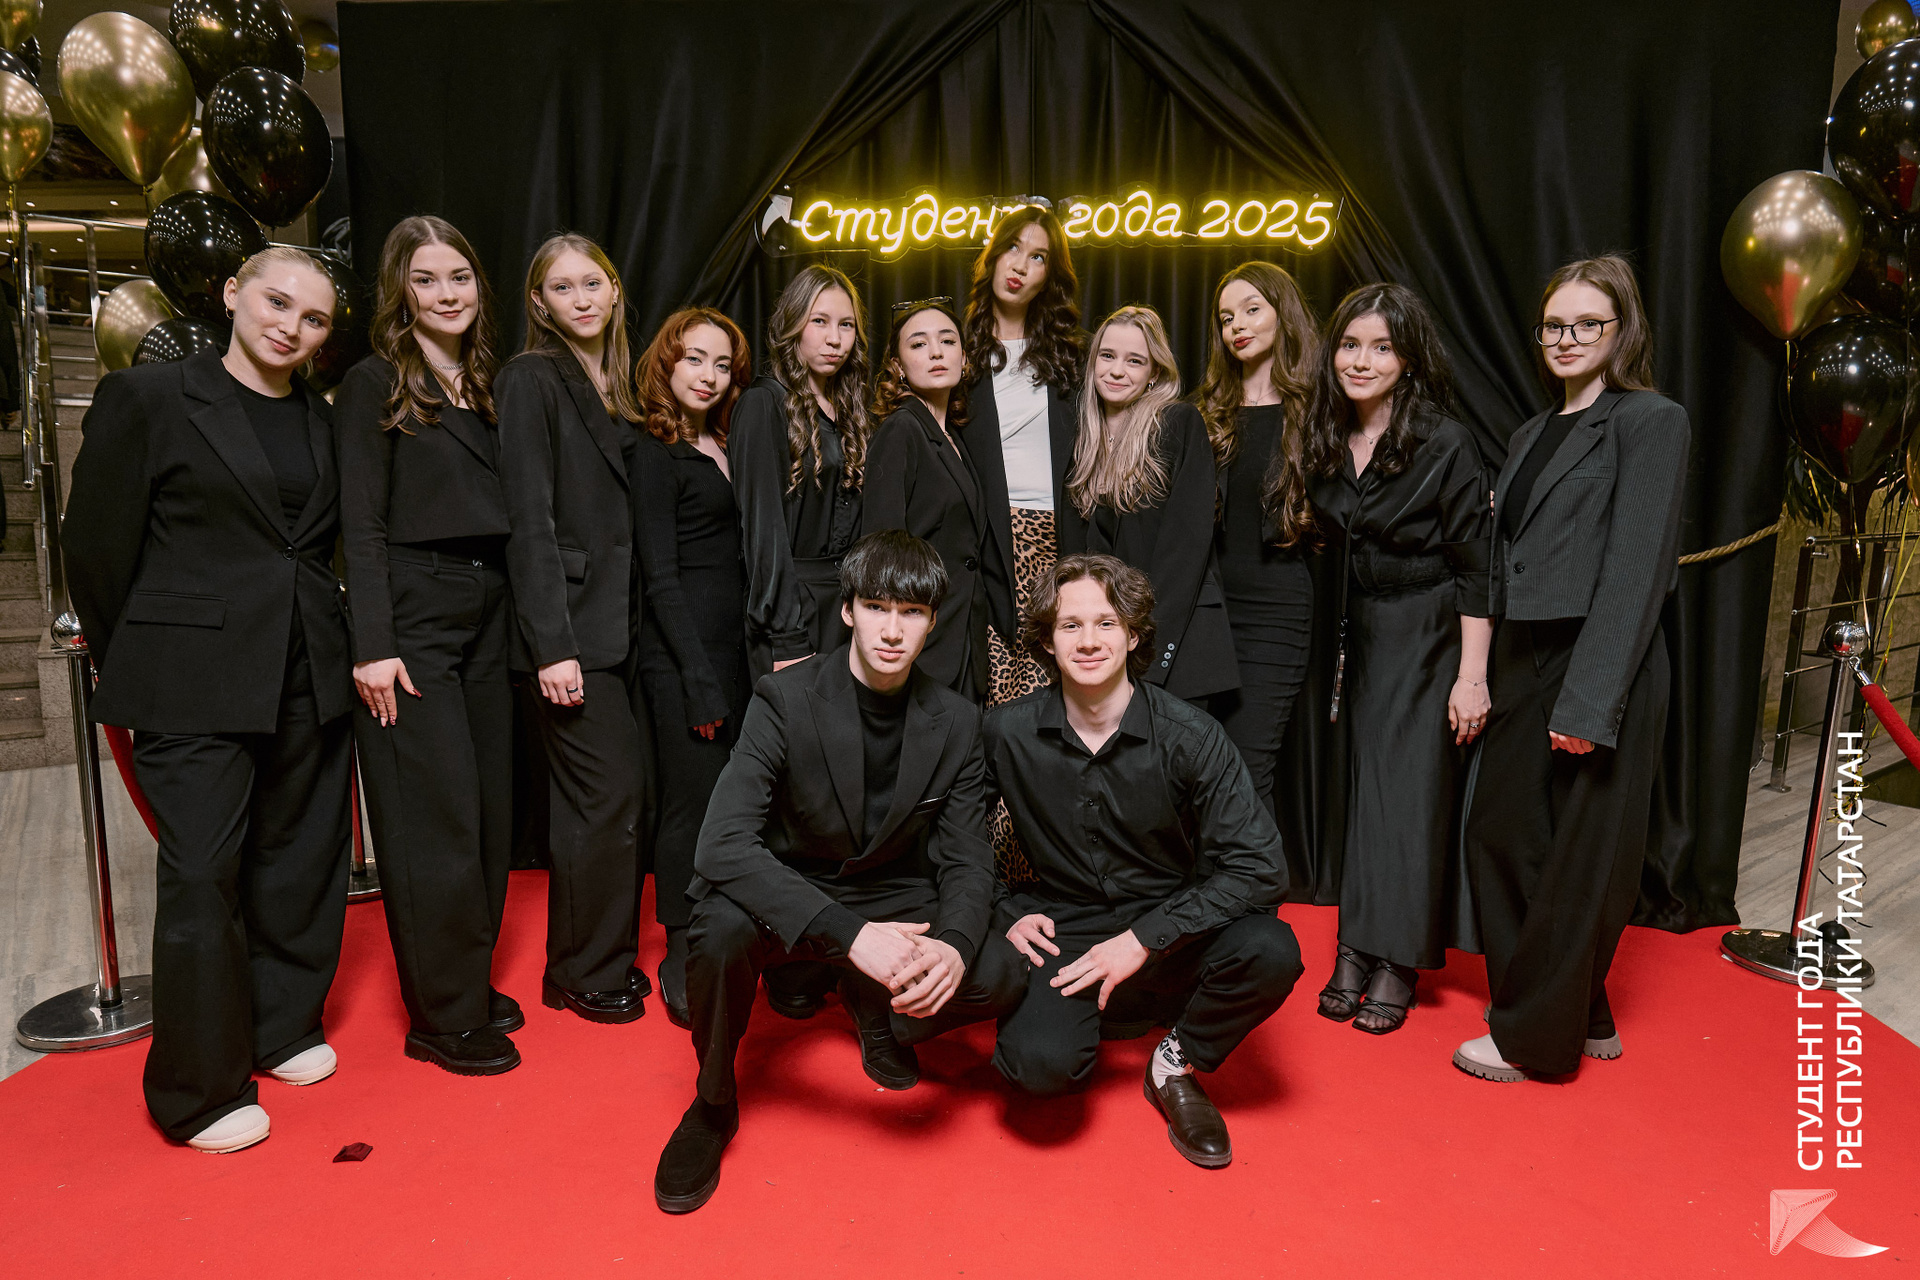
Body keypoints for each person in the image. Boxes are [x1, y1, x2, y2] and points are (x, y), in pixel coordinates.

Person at [64, 247, 347, 1153]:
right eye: (276, 302)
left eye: (313, 318)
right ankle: (195, 1090)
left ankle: (282, 1025)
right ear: (232, 294)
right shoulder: (149, 398)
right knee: (200, 875)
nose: (290, 327)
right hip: (190, 677)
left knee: (298, 860)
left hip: (305, 668)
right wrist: (137, 656)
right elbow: (95, 546)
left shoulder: (322, 419)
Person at [653, 531, 1027, 1213]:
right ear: (848, 610)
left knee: (998, 968)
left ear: (932, 622)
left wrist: (950, 947)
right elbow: (721, 845)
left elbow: (968, 861)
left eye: (911, 612)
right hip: (795, 887)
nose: (892, 630)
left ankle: (873, 1002)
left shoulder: (957, 720)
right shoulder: (784, 697)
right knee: (719, 928)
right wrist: (853, 936)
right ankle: (713, 1102)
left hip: (892, 889)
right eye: (877, 607)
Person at [986, 553, 1301, 1168]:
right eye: (1070, 625)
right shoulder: (1005, 732)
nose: (1089, 641)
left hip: (1171, 926)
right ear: (1047, 641)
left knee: (1271, 949)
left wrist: (1142, 938)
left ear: (1133, 636)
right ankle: (1107, 1013)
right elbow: (954, 838)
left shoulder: (1191, 735)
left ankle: (1174, 1061)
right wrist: (1003, 911)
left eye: (1106, 623)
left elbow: (1261, 867)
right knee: (1039, 1070)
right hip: (1068, 928)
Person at [1456, 254, 1687, 1082]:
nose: (1568, 338)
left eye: (1589, 323)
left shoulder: (1650, 420)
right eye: (1555, 324)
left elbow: (1637, 568)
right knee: (1501, 832)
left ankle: (1534, 1039)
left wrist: (1590, 703)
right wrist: (1480, 666)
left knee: (1585, 854)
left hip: (1600, 653)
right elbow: (1505, 553)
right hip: (1527, 650)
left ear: (1622, 330)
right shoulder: (1530, 432)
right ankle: (1576, 1003)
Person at [335, 216, 520, 1076]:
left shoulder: (484, 383)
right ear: (399, 293)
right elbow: (360, 522)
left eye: (460, 277)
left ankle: (466, 981)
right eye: (426, 280)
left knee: (484, 812)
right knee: (431, 815)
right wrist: (373, 643)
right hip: (414, 608)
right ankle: (442, 1018)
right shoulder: (375, 380)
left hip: (488, 602)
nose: (447, 294)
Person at [1298, 283, 1492, 1035]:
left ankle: (1398, 961)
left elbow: (1476, 568)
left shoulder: (1446, 442)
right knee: (1365, 794)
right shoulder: (1327, 436)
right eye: (1350, 344)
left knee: (1409, 795)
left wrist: (1472, 676)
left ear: (1408, 359)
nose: (1362, 360)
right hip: (1362, 630)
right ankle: (1356, 946)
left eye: (1381, 347)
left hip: (1431, 628)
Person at [498, 232, 651, 1024]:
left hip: (617, 626)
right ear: (539, 302)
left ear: (614, 289)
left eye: (593, 283)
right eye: (563, 288)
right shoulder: (531, 377)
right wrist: (551, 646)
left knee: (602, 802)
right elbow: (529, 519)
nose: (582, 299)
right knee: (607, 796)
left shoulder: (616, 382)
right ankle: (587, 971)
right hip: (569, 634)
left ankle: (584, 961)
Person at [631, 307, 753, 1026]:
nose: (708, 375)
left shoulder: (727, 444)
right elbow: (660, 576)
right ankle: (680, 943)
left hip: (735, 653)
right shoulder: (655, 451)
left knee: (734, 800)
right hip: (685, 659)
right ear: (666, 364)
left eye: (722, 364)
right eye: (694, 359)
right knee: (690, 803)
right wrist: (698, 680)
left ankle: (729, 926)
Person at [1192, 262, 1318, 817]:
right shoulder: (1204, 413)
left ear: (1282, 313)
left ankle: (1257, 873)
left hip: (1276, 611)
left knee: (1246, 770)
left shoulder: (1316, 409)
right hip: (1207, 612)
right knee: (1200, 772)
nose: (1237, 326)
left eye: (1251, 310)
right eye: (1226, 318)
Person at [1069, 306, 1237, 704]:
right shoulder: (1083, 442)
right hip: (1109, 652)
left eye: (1134, 361)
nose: (1116, 371)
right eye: (1107, 356)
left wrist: (1143, 648)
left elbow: (1186, 549)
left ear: (1154, 373)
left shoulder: (1177, 423)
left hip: (1174, 647)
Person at [957, 204, 1086, 707]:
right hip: (987, 541)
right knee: (994, 697)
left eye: (1038, 257)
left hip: (1056, 538)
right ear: (992, 256)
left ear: (1049, 277)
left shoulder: (1070, 356)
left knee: (1057, 692)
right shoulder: (958, 350)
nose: (1020, 265)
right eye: (1012, 247)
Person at [731, 265, 869, 681]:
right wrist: (786, 635)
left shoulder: (850, 412)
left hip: (846, 610)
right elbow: (764, 533)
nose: (835, 339)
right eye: (819, 321)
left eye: (846, 325)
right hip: (791, 613)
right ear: (793, 325)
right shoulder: (763, 404)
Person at [862, 298, 990, 699]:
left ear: (964, 358)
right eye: (918, 344)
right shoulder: (901, 430)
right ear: (897, 366)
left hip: (961, 640)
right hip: (920, 648)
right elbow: (881, 552)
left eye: (947, 341)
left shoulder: (954, 437)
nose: (936, 352)